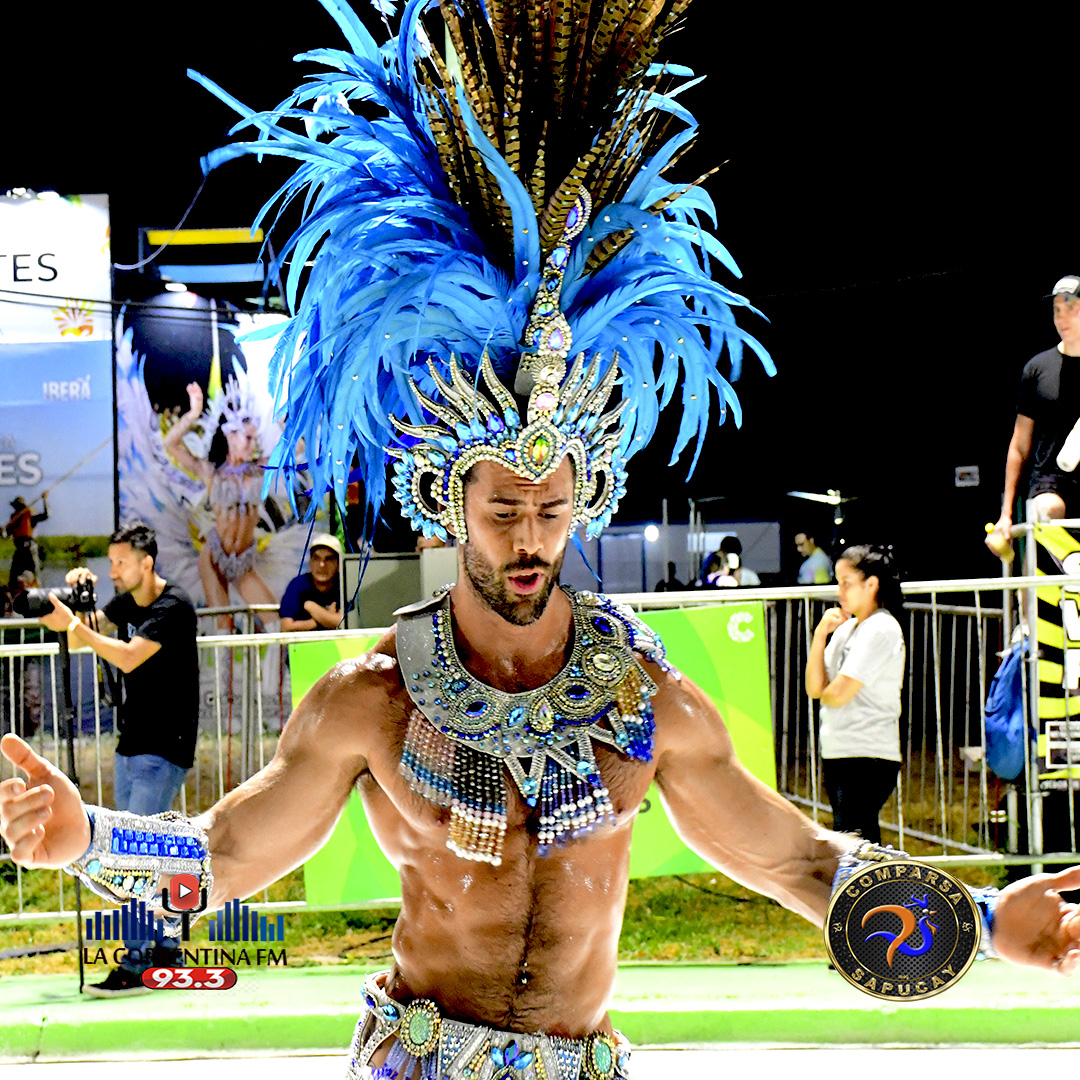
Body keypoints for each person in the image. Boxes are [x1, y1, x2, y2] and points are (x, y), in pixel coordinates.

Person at [5, 2, 1080, 1070]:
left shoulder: (644, 698)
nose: (530, 539)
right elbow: (228, 855)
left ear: (585, 503)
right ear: (450, 505)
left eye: (552, 512)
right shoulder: (370, 699)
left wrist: (986, 922)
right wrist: (84, 837)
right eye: (504, 512)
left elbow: (795, 864)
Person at [35, 521, 199, 997]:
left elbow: (127, 656)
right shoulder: (128, 601)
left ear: (147, 563)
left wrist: (75, 627)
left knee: (133, 855)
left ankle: (136, 961)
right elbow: (84, 634)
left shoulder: (173, 606)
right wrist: (72, 603)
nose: (114, 572)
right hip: (133, 744)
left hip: (164, 746)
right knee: (155, 854)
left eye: (120, 563)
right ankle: (166, 953)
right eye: (110, 564)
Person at [805, 545, 904, 844]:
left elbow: (837, 693)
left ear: (871, 584)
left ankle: (875, 877)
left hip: (868, 752)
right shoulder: (847, 629)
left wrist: (827, 690)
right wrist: (820, 635)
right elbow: (814, 688)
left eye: (846, 583)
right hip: (840, 749)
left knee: (857, 841)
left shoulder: (881, 628)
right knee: (852, 839)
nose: (840, 591)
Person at [164, 379, 278, 632]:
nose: (251, 444)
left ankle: (270, 662)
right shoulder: (211, 471)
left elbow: (297, 449)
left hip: (243, 559)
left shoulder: (258, 468)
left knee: (273, 623)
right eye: (247, 438)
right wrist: (193, 413)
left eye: (254, 438)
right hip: (214, 555)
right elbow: (171, 444)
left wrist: (283, 422)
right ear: (230, 436)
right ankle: (222, 661)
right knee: (223, 624)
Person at [988, 274, 1080, 554]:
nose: (1062, 319)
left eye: (1071, 309)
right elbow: (1019, 445)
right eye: (1057, 311)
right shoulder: (1037, 369)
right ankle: (1067, 570)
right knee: (1044, 511)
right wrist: (1006, 515)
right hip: (1052, 479)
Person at [279, 533, 343, 632]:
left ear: (338, 564)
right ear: (310, 563)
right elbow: (286, 627)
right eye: (316, 558)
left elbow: (347, 623)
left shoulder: (344, 586)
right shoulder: (298, 585)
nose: (322, 565)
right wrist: (327, 618)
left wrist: (312, 607)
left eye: (328, 559)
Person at [5, 494, 48, 587]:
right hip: (19, 548)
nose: (17, 508)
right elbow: (7, 534)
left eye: (19, 506)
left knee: (35, 569)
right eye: (16, 506)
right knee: (14, 573)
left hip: (30, 547)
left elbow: (45, 515)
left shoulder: (30, 516)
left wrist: (44, 500)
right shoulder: (14, 518)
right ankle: (13, 588)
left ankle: (37, 586)